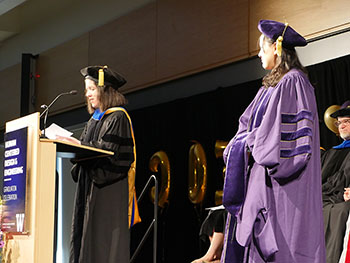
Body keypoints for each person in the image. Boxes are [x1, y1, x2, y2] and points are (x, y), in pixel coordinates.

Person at [221, 20, 326, 262]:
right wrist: (240, 144)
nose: (258, 54)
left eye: (262, 49)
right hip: (262, 179)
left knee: (285, 245)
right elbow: (246, 125)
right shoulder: (269, 87)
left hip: (283, 187)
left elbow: (282, 144)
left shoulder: (294, 82)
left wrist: (249, 143)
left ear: (277, 49)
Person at [57, 65, 139, 263]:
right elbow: (88, 150)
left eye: (91, 89)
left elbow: (111, 153)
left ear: (104, 90)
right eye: (87, 90)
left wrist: (81, 145)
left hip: (107, 190)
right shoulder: (93, 120)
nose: (87, 94)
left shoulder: (118, 117)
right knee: (84, 237)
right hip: (89, 187)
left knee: (103, 242)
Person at [321, 101, 350, 263]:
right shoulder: (331, 152)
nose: (341, 126)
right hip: (326, 198)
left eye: (347, 121)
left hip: (344, 201)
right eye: (339, 122)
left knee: (341, 211)